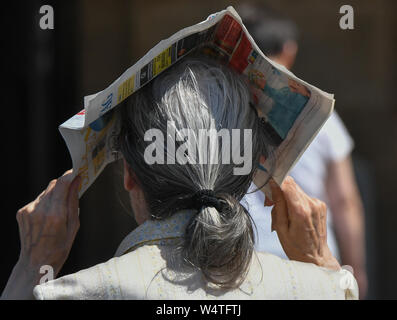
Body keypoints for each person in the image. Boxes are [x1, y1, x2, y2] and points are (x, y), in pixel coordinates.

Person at [1, 57, 357, 300]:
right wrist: (323, 266)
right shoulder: (320, 291)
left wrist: (32, 267)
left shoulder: (72, 292)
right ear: (248, 171)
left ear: (129, 175)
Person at [239, 4, 368, 298]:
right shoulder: (323, 116)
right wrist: (355, 268)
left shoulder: (225, 110)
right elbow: (346, 200)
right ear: (289, 49)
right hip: (312, 262)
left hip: (245, 267)